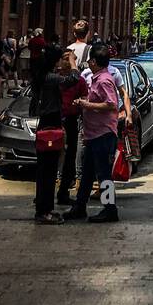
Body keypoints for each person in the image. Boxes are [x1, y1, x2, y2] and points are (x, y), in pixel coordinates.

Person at [65, 46, 121, 223]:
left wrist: (88, 106)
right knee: (87, 173)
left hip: (103, 134)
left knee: (104, 174)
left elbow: (112, 104)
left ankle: (110, 209)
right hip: (93, 134)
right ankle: (80, 206)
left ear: (94, 62)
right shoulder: (97, 79)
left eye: (90, 60)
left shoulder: (104, 80)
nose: (88, 63)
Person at [29, 44, 66, 225]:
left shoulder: (41, 77)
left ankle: (44, 209)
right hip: (50, 125)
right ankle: (44, 212)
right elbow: (73, 79)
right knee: (48, 172)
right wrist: (73, 64)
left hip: (44, 124)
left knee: (45, 171)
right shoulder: (51, 78)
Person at [56, 50, 89, 207]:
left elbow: (84, 97)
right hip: (60, 121)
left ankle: (62, 192)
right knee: (59, 158)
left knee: (67, 157)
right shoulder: (60, 78)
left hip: (67, 121)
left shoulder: (77, 80)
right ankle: (56, 193)